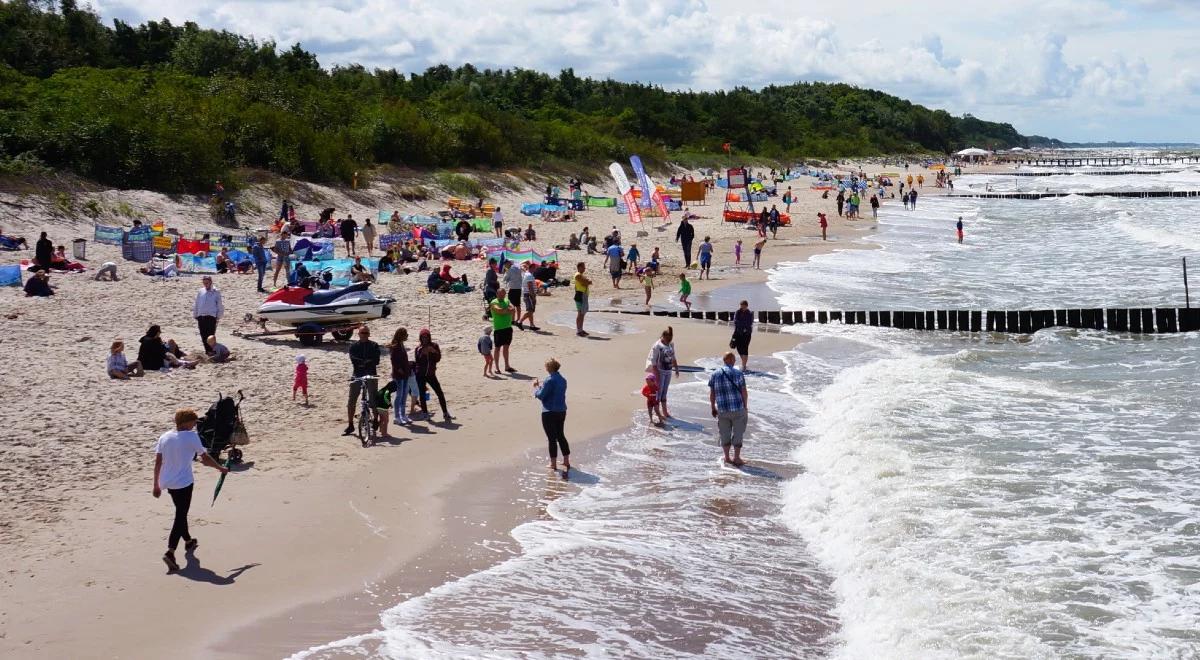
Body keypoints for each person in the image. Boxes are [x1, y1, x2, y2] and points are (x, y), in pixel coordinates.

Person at [153, 408, 229, 572]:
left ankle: (188, 541)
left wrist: (156, 485)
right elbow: (206, 458)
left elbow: (158, 462)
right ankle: (170, 552)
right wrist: (221, 469)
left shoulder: (164, 436)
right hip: (184, 483)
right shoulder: (191, 436)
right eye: (194, 421)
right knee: (180, 515)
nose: (195, 425)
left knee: (181, 511)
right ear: (186, 422)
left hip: (168, 483)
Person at [708, 351, 749, 466]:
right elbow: (744, 392)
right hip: (737, 409)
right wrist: (745, 407)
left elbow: (712, 394)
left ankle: (727, 457)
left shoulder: (715, 374)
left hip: (722, 410)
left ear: (724, 360)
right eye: (734, 359)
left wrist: (712, 407)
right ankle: (736, 458)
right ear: (732, 360)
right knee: (738, 433)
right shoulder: (738, 373)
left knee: (724, 433)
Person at [533, 358, 570, 473]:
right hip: (561, 411)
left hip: (549, 411)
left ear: (549, 368)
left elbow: (541, 395)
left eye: (546, 366)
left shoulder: (549, 380)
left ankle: (553, 464)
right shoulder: (563, 380)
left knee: (552, 438)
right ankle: (566, 461)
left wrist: (536, 387)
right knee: (560, 435)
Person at [345, 325, 381, 436]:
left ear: (369, 334)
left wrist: (365, 362)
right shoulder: (354, 346)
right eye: (362, 333)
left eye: (366, 333)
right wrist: (366, 362)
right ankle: (350, 424)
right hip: (357, 374)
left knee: (373, 398)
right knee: (352, 400)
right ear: (359, 334)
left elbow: (376, 360)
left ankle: (375, 419)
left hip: (371, 375)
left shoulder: (374, 345)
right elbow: (353, 359)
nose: (364, 335)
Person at [414, 328, 451, 422]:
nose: (425, 339)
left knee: (440, 393)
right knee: (422, 394)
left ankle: (445, 412)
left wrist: (433, 351)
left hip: (431, 374)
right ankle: (425, 413)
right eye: (423, 337)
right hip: (420, 375)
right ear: (420, 338)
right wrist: (422, 353)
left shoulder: (434, 346)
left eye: (426, 337)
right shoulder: (418, 348)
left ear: (429, 337)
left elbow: (438, 359)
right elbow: (417, 361)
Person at [646, 327, 680, 418]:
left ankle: (665, 411)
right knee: (658, 392)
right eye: (668, 339)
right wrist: (656, 373)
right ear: (663, 336)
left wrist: (676, 368)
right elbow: (653, 361)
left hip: (668, 371)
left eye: (670, 339)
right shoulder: (657, 346)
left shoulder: (671, 344)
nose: (669, 341)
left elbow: (673, 357)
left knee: (665, 391)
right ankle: (657, 412)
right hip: (660, 371)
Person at [193, 276, 224, 356]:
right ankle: (207, 351)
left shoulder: (216, 291)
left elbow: (219, 305)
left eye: (207, 282)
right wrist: (195, 314)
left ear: (210, 282)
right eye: (204, 282)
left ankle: (212, 350)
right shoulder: (200, 291)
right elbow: (197, 303)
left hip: (211, 316)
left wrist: (218, 316)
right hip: (201, 316)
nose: (205, 284)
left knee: (210, 335)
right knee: (203, 335)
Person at [388, 327, 412, 426]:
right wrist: (399, 370)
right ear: (401, 335)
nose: (407, 336)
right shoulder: (396, 346)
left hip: (405, 374)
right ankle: (397, 417)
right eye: (405, 334)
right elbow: (394, 361)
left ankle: (403, 415)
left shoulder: (401, 345)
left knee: (405, 394)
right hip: (398, 375)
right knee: (399, 395)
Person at [490, 294, 516, 372]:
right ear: (497, 294)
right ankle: (497, 368)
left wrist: (506, 310)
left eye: (503, 294)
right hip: (499, 328)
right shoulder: (494, 302)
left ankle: (507, 366)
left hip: (508, 327)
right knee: (497, 348)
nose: (502, 295)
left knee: (506, 347)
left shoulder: (507, 300)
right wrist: (508, 310)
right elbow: (499, 311)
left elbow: (513, 308)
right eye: (500, 294)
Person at [731, 300, 753, 371]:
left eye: (743, 306)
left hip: (747, 334)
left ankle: (744, 365)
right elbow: (735, 321)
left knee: (745, 349)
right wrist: (742, 325)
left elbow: (749, 323)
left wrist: (742, 325)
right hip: (738, 333)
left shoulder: (749, 313)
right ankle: (743, 361)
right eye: (741, 306)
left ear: (746, 306)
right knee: (738, 347)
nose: (742, 307)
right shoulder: (738, 312)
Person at [519, 262, 540, 331]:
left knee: (531, 311)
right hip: (529, 295)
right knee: (530, 310)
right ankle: (520, 322)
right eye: (534, 268)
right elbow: (530, 286)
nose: (535, 269)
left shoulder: (528, 274)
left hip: (528, 294)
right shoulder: (529, 275)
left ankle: (532, 325)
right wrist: (533, 296)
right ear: (531, 267)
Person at [572, 261, 591, 337]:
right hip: (580, 295)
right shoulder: (578, 275)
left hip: (583, 294)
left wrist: (587, 281)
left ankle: (581, 329)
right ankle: (579, 330)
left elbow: (587, 282)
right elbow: (585, 283)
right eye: (583, 267)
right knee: (580, 313)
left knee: (582, 313)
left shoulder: (581, 275)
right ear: (579, 267)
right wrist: (587, 281)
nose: (584, 268)